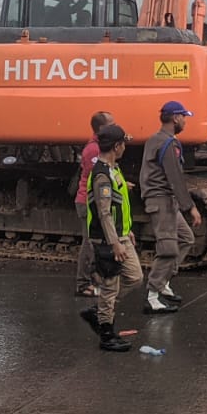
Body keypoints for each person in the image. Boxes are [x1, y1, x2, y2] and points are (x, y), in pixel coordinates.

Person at [80, 125, 139, 352]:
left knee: (134, 277)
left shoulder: (113, 169)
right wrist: (114, 243)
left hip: (121, 234)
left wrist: (125, 230)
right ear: (116, 146)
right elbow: (104, 213)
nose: (125, 147)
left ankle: (102, 309)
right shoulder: (102, 175)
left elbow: (116, 203)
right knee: (110, 285)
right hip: (107, 240)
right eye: (123, 143)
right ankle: (107, 334)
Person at [140, 101, 198, 314]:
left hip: (166, 199)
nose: (185, 121)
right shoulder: (168, 144)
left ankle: (163, 282)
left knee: (186, 239)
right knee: (167, 248)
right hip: (161, 199)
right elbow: (174, 177)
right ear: (175, 118)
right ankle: (152, 296)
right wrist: (190, 207)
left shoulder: (155, 139)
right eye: (184, 117)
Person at [73, 111, 116, 297]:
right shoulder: (93, 150)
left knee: (93, 242)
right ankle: (83, 284)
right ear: (101, 128)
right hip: (87, 201)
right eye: (111, 124)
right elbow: (98, 177)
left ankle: (92, 279)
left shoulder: (98, 147)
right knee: (89, 243)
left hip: (91, 200)